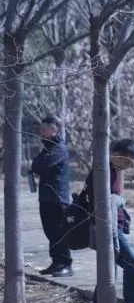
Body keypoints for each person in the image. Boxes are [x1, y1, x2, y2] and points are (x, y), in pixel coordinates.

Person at [86, 138, 134, 303]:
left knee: (108, 275)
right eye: (127, 160)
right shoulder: (102, 171)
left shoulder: (116, 170)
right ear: (115, 154)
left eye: (132, 162)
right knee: (133, 264)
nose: (129, 165)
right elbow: (102, 201)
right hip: (107, 228)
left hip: (116, 228)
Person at [31, 116, 72, 277]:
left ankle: (65, 264)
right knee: (50, 232)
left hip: (57, 197)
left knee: (59, 231)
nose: (41, 132)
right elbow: (36, 165)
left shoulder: (59, 148)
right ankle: (56, 262)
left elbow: (40, 165)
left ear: (53, 129)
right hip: (46, 196)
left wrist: (37, 163)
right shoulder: (48, 147)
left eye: (44, 129)